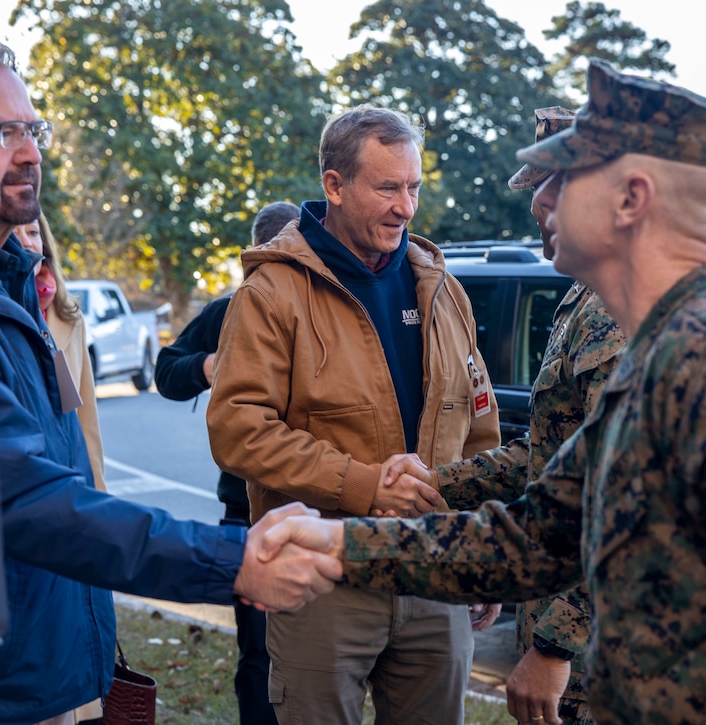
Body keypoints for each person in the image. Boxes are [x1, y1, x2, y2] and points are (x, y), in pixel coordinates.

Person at [259, 59, 706, 723]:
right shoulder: (655, 363)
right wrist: (335, 542)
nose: (539, 200)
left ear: (630, 199)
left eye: (563, 178)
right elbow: (537, 537)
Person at [0, 33, 340, 725]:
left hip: (37, 667)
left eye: (33, 128)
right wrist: (232, 558)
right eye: (1, 131)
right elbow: (21, 497)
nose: (31, 151)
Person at [205, 105, 502, 724]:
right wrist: (365, 486)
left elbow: (478, 432)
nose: (405, 206)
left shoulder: (444, 290)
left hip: (435, 570)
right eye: (388, 187)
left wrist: (484, 551)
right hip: (321, 579)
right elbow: (238, 430)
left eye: (414, 187)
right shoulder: (271, 293)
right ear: (334, 185)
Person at [394, 107, 625, 725]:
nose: (536, 206)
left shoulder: (622, 314)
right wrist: (435, 482)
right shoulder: (584, 298)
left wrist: (555, 647)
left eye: (553, 188)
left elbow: (619, 498)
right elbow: (551, 457)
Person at [155, 199, 299, 725]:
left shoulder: (332, 306)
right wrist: (210, 363)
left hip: (325, 512)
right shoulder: (229, 309)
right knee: (260, 655)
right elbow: (166, 371)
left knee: (328, 660)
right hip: (247, 512)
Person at [15, 212, 106, 491]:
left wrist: (98, 492)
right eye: (12, 233)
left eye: (32, 233)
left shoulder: (70, 318)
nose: (25, 243)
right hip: (24, 485)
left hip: (72, 485)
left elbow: (85, 418)